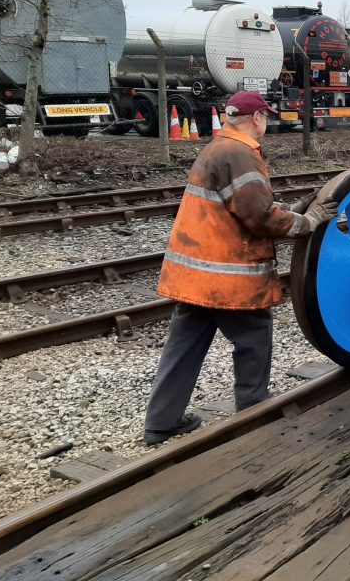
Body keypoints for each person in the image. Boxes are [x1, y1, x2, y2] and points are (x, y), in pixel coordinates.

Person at [142, 91, 337, 445]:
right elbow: (259, 218)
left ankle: (161, 422)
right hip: (226, 274)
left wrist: (290, 208)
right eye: (266, 117)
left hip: (195, 273)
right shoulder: (241, 153)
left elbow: (238, 206)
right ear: (256, 118)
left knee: (183, 346)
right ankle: (254, 411)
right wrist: (308, 221)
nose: (267, 123)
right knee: (253, 339)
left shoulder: (218, 147)